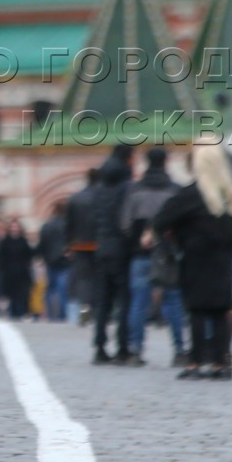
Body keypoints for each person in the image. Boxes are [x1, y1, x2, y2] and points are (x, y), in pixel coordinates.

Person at [156, 140, 232, 381]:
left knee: (196, 311)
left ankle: (195, 362)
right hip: (223, 261)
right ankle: (220, 363)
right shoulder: (230, 194)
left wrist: (176, 238)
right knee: (220, 311)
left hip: (195, 259)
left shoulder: (190, 195)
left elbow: (161, 220)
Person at [122, 147, 186, 364]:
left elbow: (124, 224)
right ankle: (179, 350)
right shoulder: (176, 190)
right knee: (174, 301)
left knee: (138, 303)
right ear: (166, 162)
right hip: (169, 255)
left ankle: (135, 350)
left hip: (141, 254)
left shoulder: (134, 191)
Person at [90, 146, 135, 365]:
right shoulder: (126, 187)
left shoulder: (98, 187)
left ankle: (99, 346)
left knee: (102, 299)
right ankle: (122, 347)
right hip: (121, 248)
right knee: (123, 299)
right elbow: (128, 220)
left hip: (101, 246)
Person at [63, 170, 101, 326]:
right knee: (99, 277)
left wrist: (67, 244)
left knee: (84, 278)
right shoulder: (103, 197)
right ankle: (99, 309)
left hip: (80, 244)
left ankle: (85, 305)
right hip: (100, 243)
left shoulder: (75, 198)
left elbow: (69, 224)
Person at [0, 217, 35, 321]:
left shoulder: (23, 241)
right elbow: (0, 257)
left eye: (16, 226)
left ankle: (25, 314)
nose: (15, 228)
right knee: (11, 296)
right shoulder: (5, 242)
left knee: (23, 295)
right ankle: (14, 316)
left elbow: (30, 255)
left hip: (22, 273)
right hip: (9, 273)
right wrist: (2, 270)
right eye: (13, 226)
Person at [37, 201, 70, 323]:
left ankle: (51, 315)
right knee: (63, 289)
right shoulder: (67, 226)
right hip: (64, 261)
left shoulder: (46, 226)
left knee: (50, 290)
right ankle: (63, 315)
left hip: (50, 261)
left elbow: (41, 245)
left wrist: (42, 258)